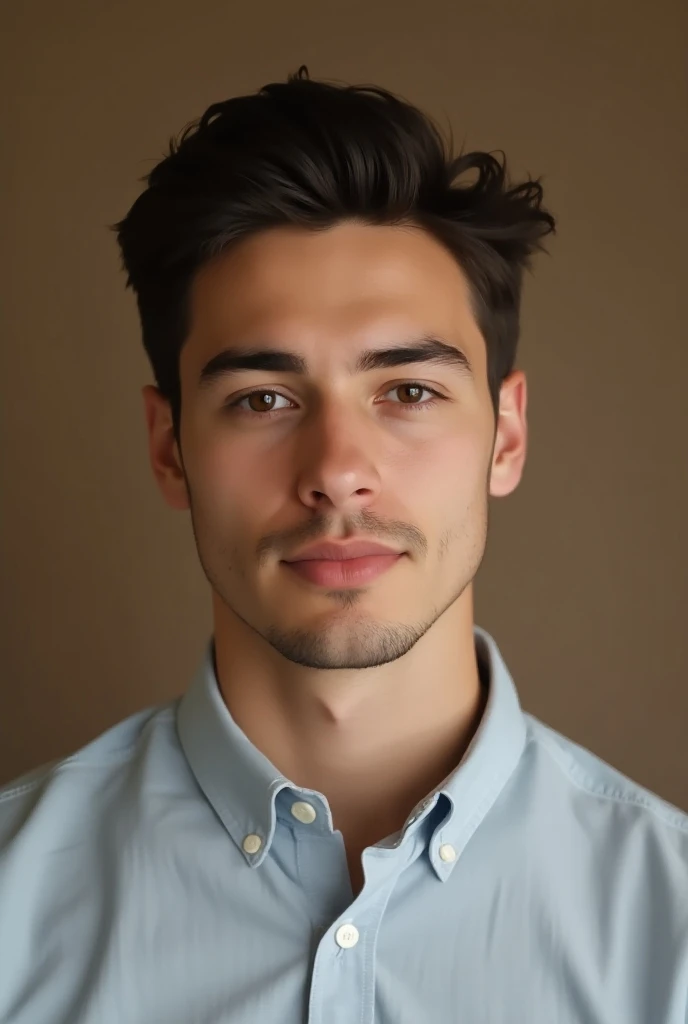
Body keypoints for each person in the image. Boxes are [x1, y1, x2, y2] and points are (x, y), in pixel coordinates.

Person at [0, 65, 686, 1024]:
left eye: (408, 390)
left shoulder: (674, 932)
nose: (337, 470)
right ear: (169, 448)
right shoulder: (11, 911)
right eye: (263, 399)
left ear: (509, 433)